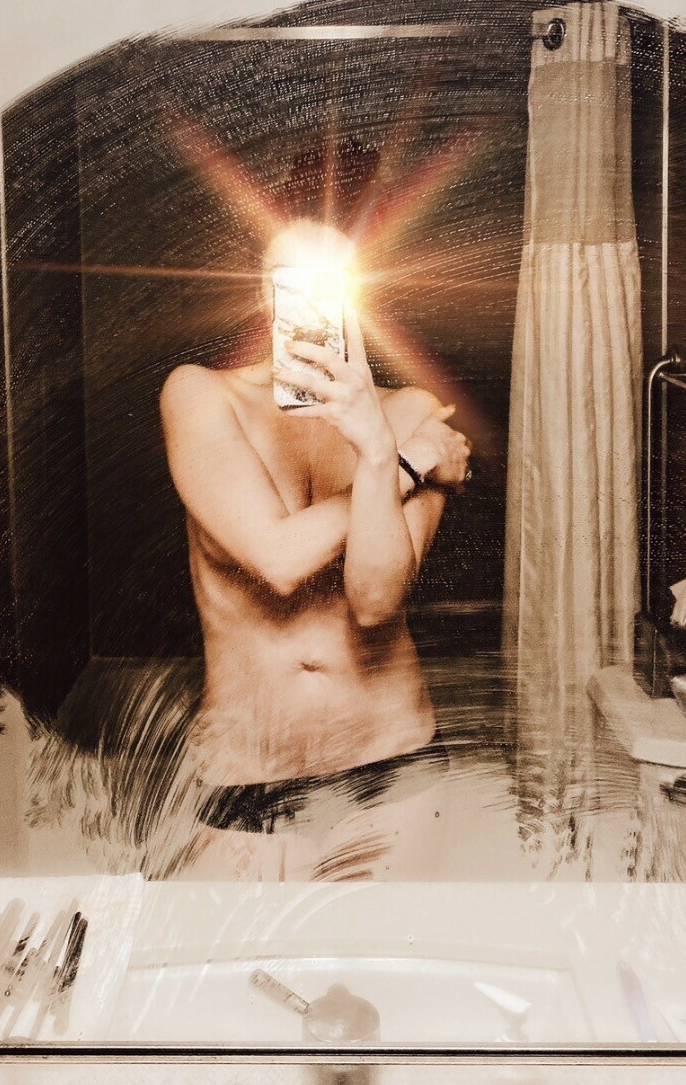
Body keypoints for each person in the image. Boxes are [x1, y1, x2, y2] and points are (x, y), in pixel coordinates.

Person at [160, 219, 471, 881]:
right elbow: (277, 559)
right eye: (289, 281)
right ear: (262, 295)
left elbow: (374, 600)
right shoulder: (200, 395)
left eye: (330, 284)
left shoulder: (411, 414)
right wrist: (407, 466)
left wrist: (379, 447)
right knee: (242, 952)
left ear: (359, 296)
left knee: (385, 952)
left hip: (391, 762)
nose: (308, 300)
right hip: (247, 773)